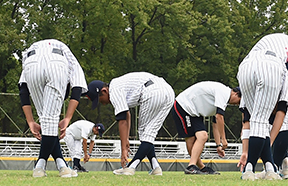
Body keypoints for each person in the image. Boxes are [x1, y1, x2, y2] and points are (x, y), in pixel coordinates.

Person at [18, 39, 86, 178]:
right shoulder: (69, 56)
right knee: (50, 119)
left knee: (47, 120)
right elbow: (77, 87)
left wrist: (30, 121)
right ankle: (40, 166)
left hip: (31, 61)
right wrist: (67, 118)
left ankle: (61, 164)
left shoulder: (40, 47)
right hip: (57, 63)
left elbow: (23, 89)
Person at [85, 74, 175, 176]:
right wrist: (126, 139)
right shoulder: (118, 84)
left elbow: (122, 120)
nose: (103, 104)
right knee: (149, 133)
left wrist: (123, 150)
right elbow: (127, 114)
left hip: (152, 92)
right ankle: (156, 167)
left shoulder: (114, 90)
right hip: (168, 91)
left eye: (101, 100)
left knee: (145, 133)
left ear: (104, 91)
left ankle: (131, 167)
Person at [253, 33, 288, 179]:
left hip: (283, 70)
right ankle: (286, 166)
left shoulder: (255, 56)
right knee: (285, 120)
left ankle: (274, 167)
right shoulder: (277, 41)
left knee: (275, 122)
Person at [236, 48, 288, 180]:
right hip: (270, 67)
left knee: (259, 123)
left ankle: (270, 168)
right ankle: (249, 169)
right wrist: (265, 144)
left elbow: (247, 123)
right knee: (260, 121)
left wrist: (247, 150)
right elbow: (280, 116)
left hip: (244, 67)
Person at [170, 81, 241, 174]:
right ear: (236, 94)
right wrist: (224, 139)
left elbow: (215, 124)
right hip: (184, 106)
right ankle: (191, 166)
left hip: (195, 112)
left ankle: (200, 167)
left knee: (202, 136)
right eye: (239, 102)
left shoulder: (223, 99)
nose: (237, 105)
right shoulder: (223, 92)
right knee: (194, 138)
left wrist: (218, 145)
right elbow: (219, 117)